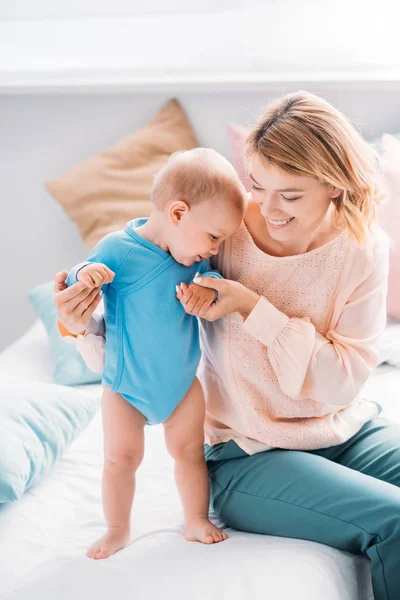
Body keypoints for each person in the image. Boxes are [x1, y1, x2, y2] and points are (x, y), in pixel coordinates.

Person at [55, 92, 400, 600]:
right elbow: (142, 316)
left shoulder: (363, 247)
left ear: (333, 185)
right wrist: (79, 324)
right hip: (247, 452)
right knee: (393, 521)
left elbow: (343, 379)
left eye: (291, 194)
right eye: (257, 184)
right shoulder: (219, 228)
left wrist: (250, 307)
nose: (265, 206)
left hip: (344, 428)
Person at [60, 148, 246, 560]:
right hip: (125, 384)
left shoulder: (191, 256)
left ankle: (196, 519)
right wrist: (83, 275)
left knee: (189, 454)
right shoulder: (118, 248)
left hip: (181, 383)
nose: (214, 248)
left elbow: (213, 276)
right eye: (214, 236)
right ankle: (117, 528)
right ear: (178, 213)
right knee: (120, 460)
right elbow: (77, 278)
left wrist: (209, 285)